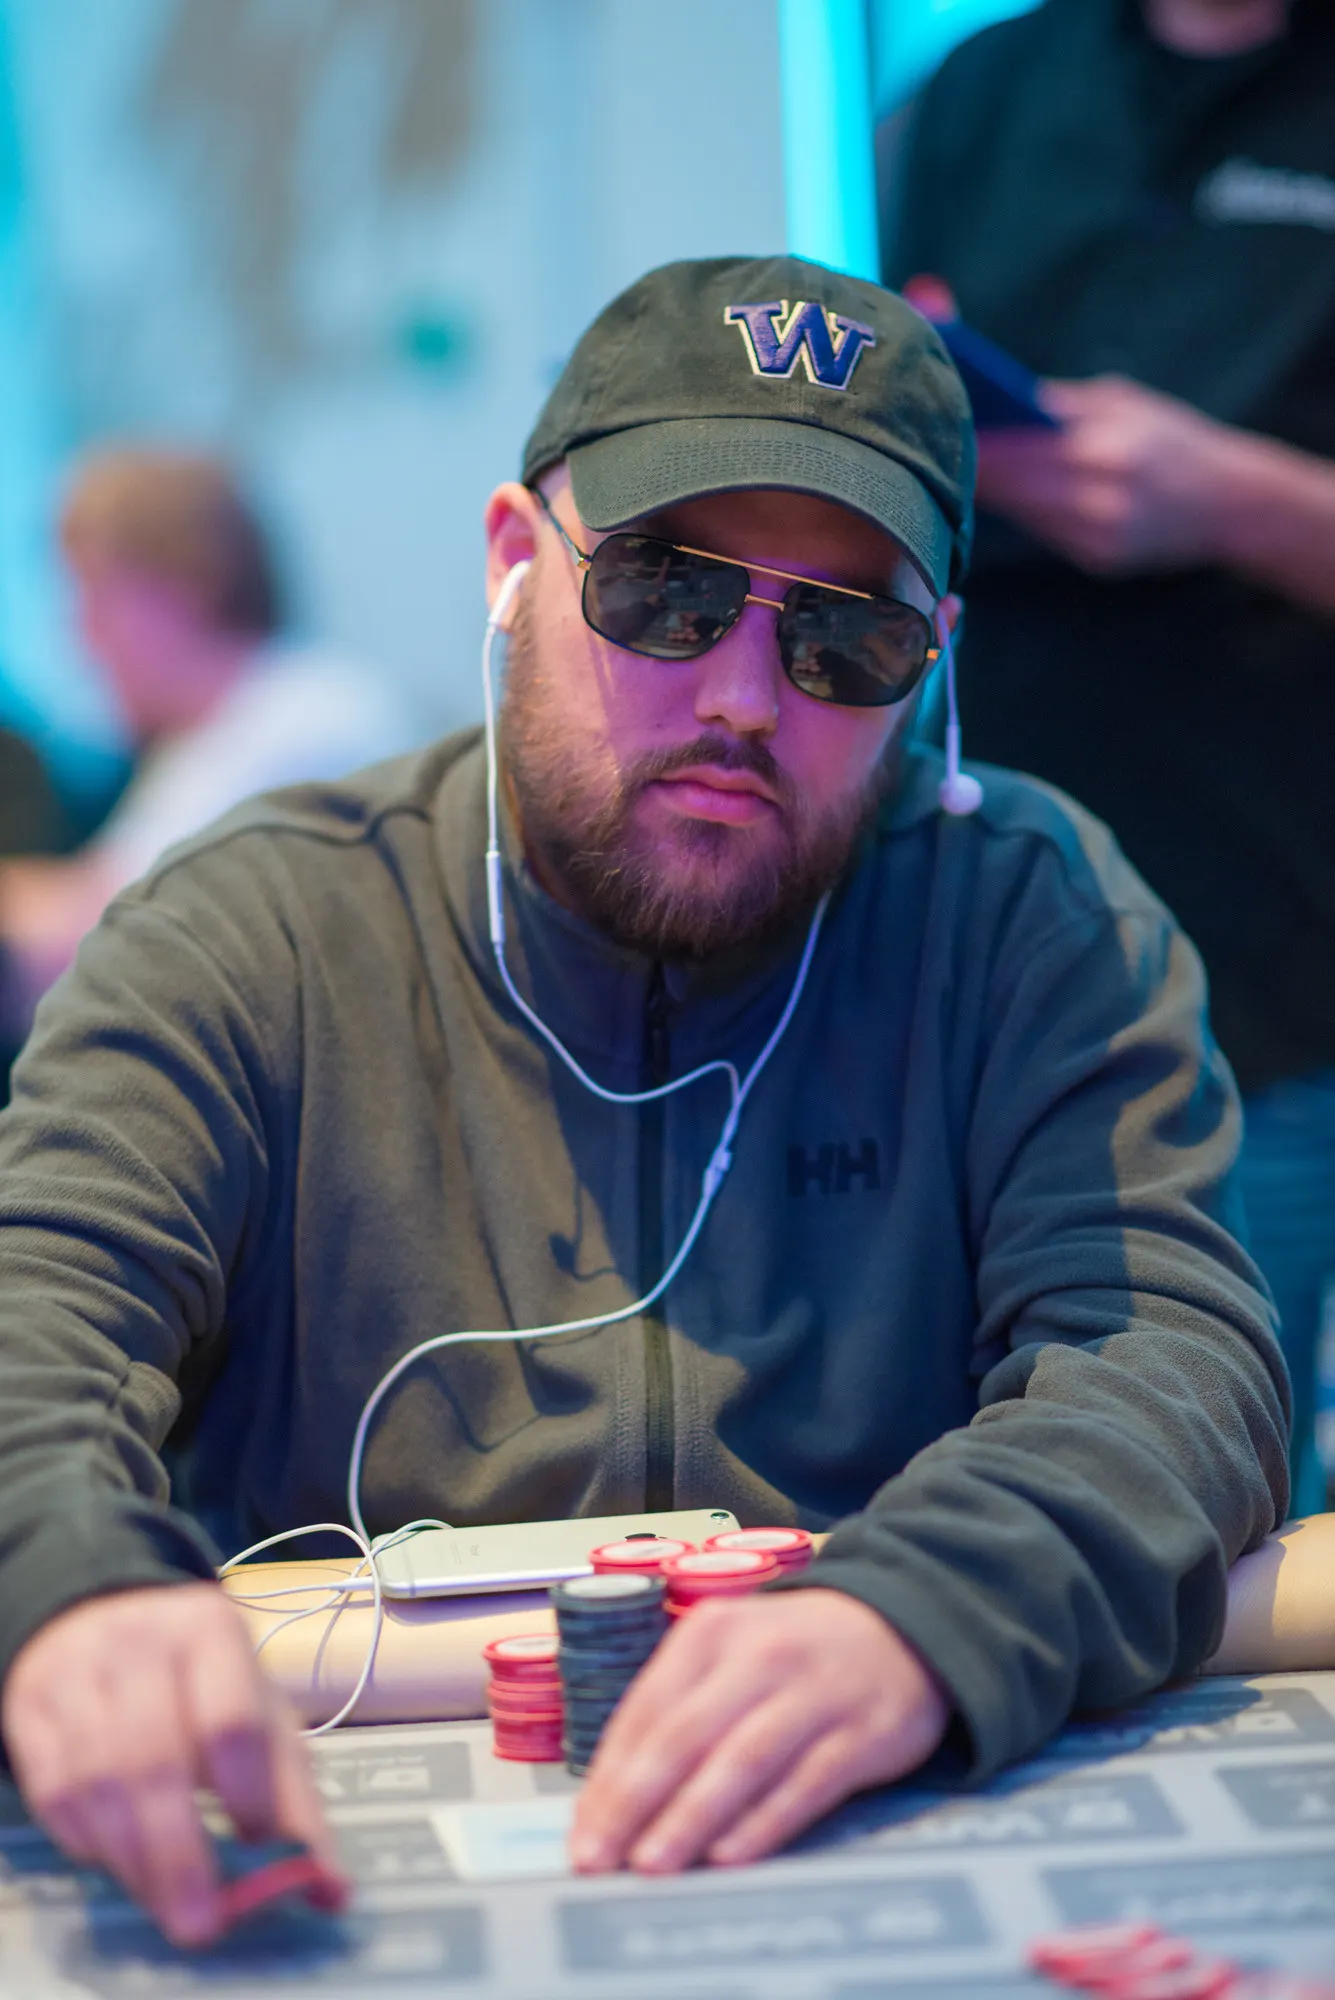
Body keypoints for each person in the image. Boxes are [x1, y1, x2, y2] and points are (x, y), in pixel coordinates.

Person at [0, 257, 1287, 1948]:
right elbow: (37, 1310)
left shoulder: (1026, 916)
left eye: (845, 636)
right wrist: (67, 1582)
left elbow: (1171, 1358)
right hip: (337, 1831)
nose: (744, 698)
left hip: (871, 1812)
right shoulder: (258, 926)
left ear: (933, 665)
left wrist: (921, 1612)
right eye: (666, 593)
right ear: (512, 562)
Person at [883, 0, 1335, 1511]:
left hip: (1282, 959)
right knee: (980, 1444)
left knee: (1220, 1489)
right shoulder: (987, 88)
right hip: (992, 932)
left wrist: (1235, 501)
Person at [0, 448, 420, 1024]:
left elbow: (105, 946)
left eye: (94, 592)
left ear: (187, 584)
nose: (80, 630)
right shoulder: (205, 741)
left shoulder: (307, 717)